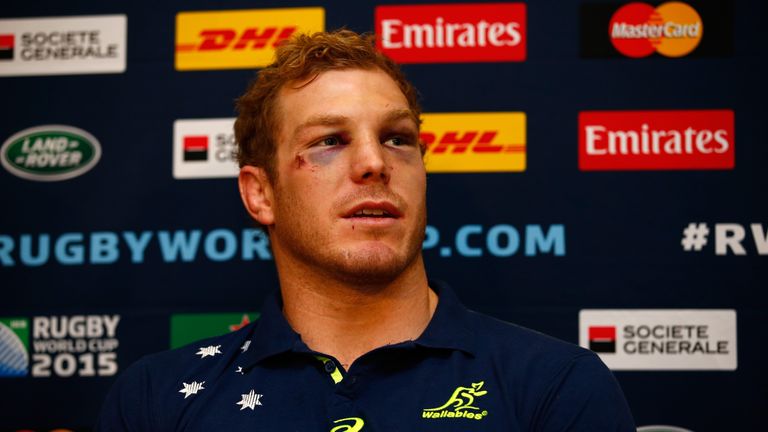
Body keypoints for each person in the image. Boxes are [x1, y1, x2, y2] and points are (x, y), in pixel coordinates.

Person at [96, 30, 635, 431]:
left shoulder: (555, 385)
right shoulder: (158, 399)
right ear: (260, 194)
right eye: (329, 140)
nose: (374, 162)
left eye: (398, 138)